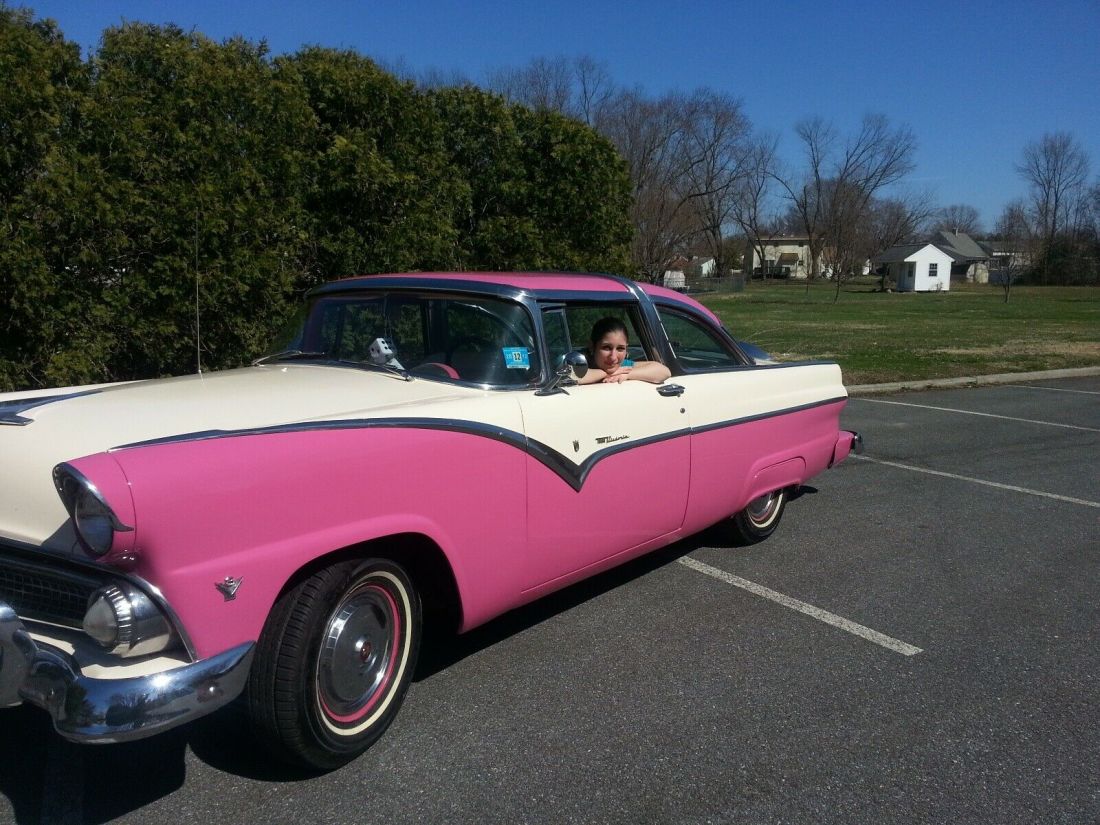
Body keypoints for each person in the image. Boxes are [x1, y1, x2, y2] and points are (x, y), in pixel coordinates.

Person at [578, 317, 671, 384]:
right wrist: (607, 374)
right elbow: (574, 377)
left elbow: (664, 371)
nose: (613, 357)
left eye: (620, 348)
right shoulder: (579, 363)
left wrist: (628, 374)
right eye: (606, 348)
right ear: (592, 346)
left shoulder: (623, 366)